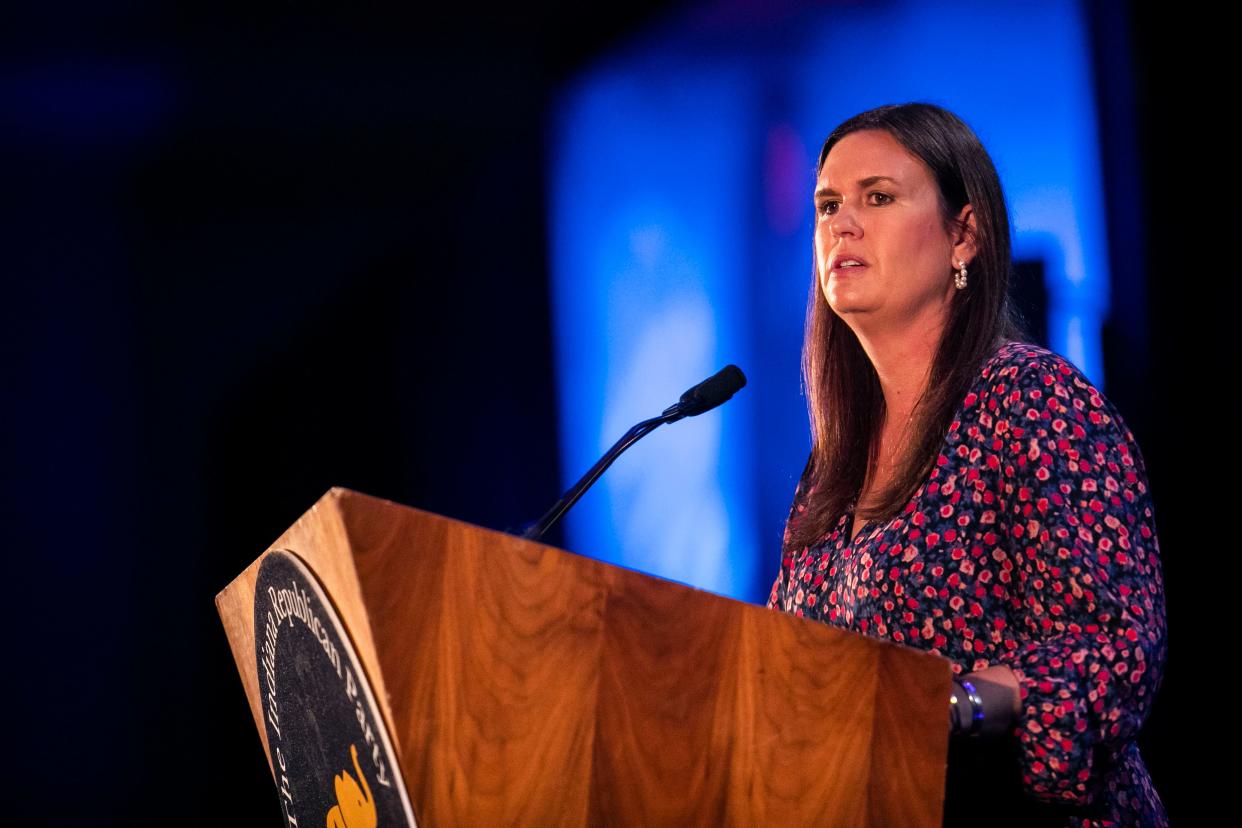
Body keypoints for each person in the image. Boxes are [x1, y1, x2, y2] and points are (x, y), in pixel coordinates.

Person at [765, 103, 1167, 827]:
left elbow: (1115, 645)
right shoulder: (830, 470)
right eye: (828, 205)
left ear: (965, 233)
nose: (842, 225)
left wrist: (950, 704)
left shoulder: (1030, 402)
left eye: (877, 198)